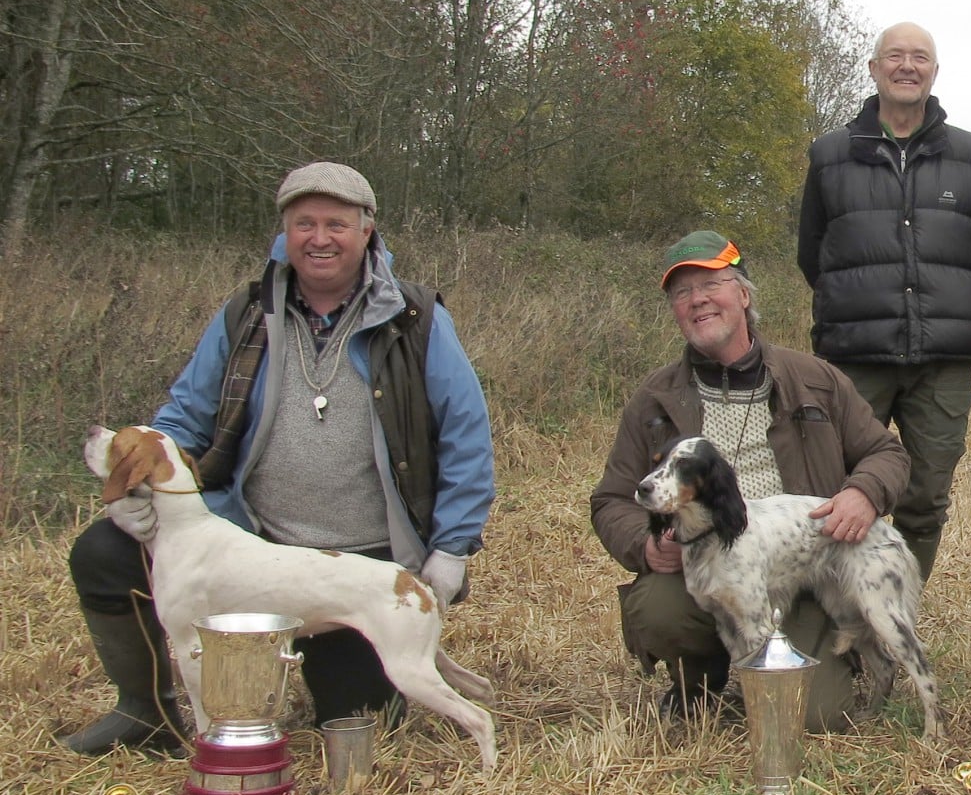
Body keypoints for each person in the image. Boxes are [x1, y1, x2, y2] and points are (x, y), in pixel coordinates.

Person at [62, 162, 495, 753]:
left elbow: (466, 437)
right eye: (304, 223)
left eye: (337, 224)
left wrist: (451, 546)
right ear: (285, 232)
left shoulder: (417, 320)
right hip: (249, 543)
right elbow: (182, 417)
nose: (320, 238)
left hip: (359, 562)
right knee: (103, 554)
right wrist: (138, 495)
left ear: (368, 231)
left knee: (361, 718)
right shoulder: (244, 314)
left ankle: (334, 674)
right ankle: (146, 713)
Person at [590, 230, 913, 726]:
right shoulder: (654, 397)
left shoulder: (815, 378)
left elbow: (885, 453)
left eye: (711, 285)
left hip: (796, 571)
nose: (697, 300)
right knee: (657, 608)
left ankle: (813, 659)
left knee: (816, 715)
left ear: (743, 294)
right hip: (703, 564)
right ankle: (700, 678)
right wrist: (644, 545)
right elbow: (612, 499)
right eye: (681, 293)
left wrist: (863, 492)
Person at [796, 21, 971, 580]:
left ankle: (898, 610)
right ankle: (838, 615)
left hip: (944, 360)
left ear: (935, 72)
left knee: (924, 500)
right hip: (854, 356)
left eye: (920, 57)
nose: (907, 65)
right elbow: (812, 255)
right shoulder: (830, 155)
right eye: (894, 56)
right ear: (874, 69)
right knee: (837, 492)